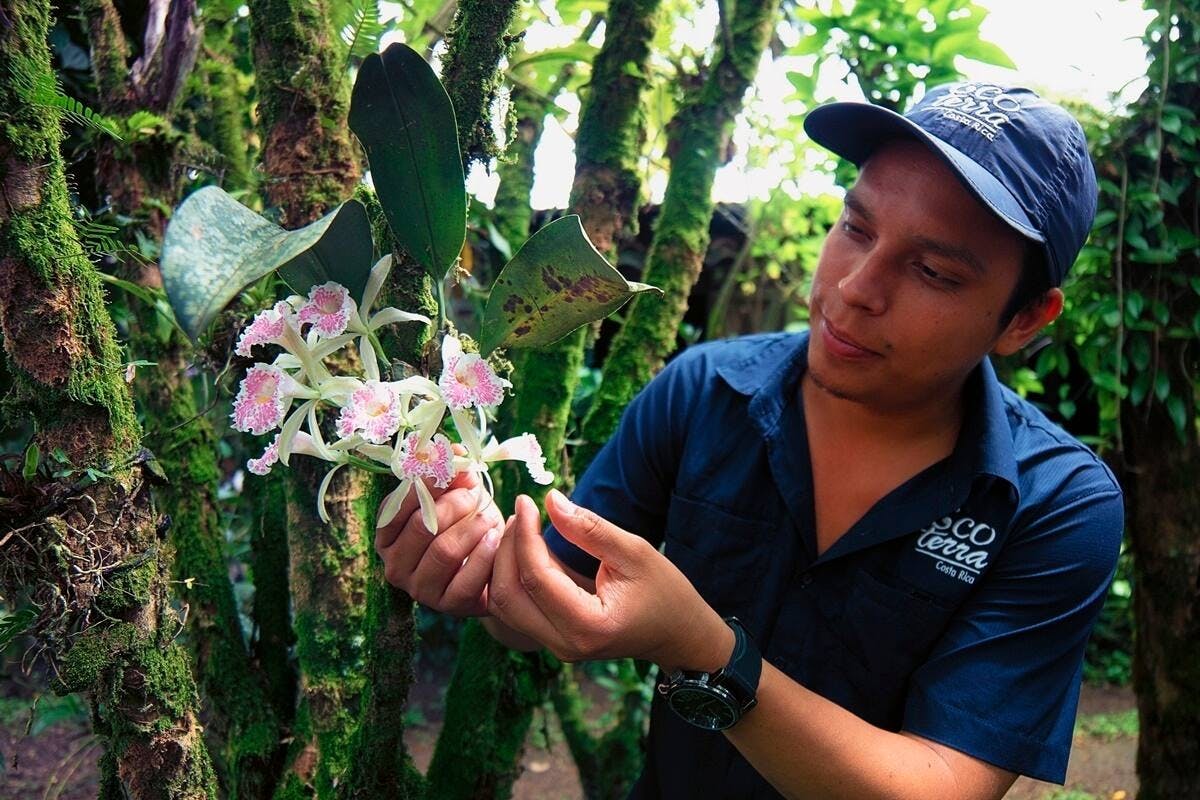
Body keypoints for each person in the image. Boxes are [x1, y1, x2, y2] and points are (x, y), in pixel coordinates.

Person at [375, 81, 1125, 799]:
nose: (856, 286)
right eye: (855, 226)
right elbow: (554, 605)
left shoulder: (1055, 502)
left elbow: (939, 783)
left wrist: (708, 651)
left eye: (931, 271)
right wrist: (484, 570)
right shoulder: (703, 392)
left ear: (1025, 320)